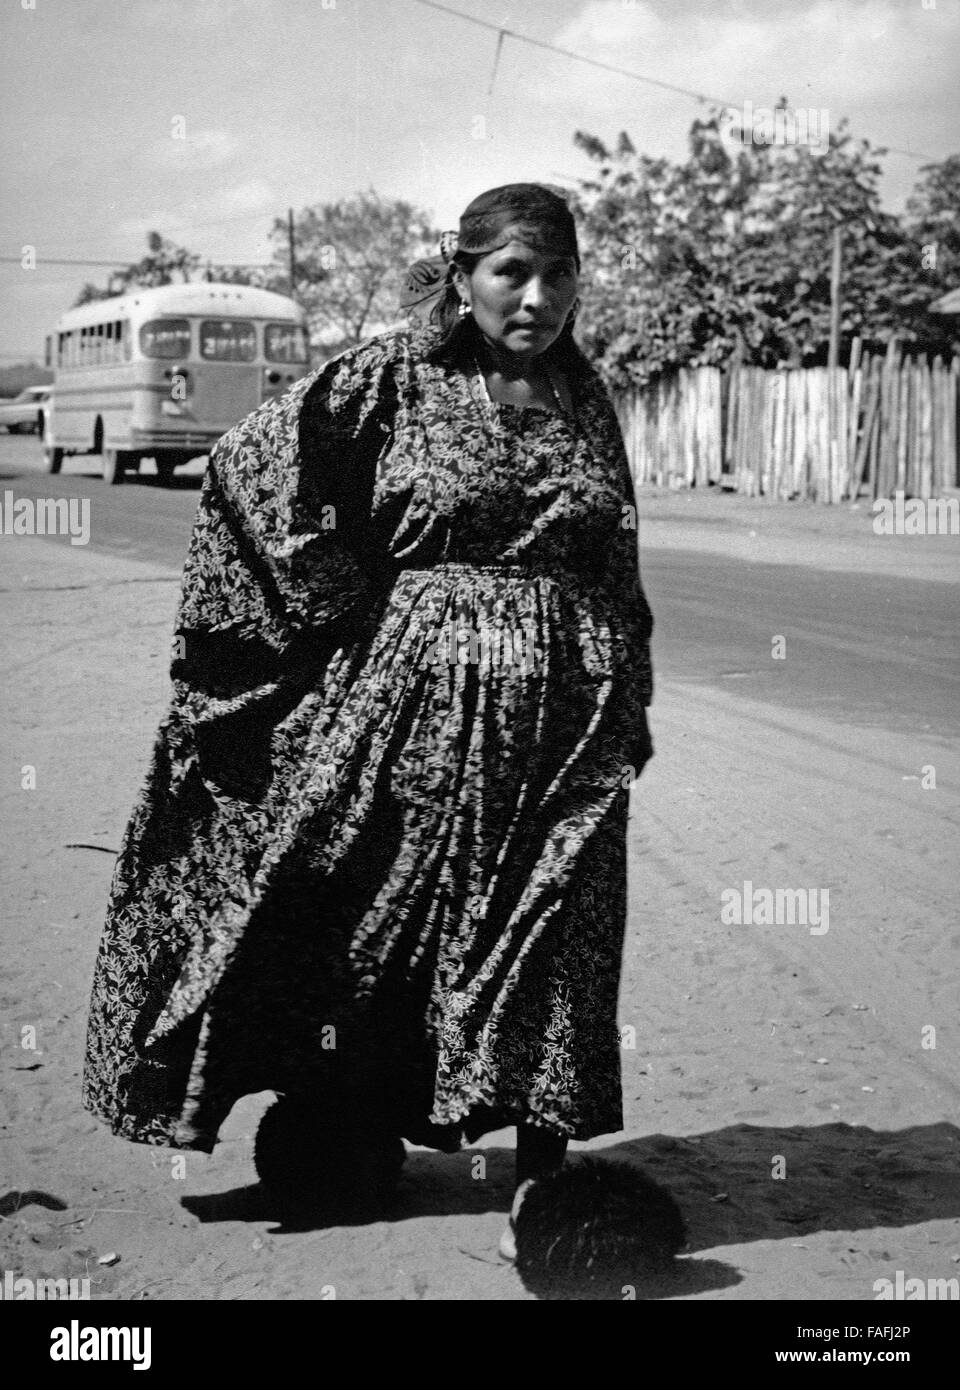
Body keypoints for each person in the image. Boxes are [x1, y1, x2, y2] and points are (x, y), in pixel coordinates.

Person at [82, 183, 655, 1258]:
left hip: (564, 729)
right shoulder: (391, 376)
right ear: (464, 275)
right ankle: (348, 1120)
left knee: (557, 934)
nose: (536, 298)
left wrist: (625, 685)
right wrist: (347, 605)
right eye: (510, 274)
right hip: (413, 715)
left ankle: (542, 1179)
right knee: (373, 921)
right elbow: (253, 470)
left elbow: (613, 551)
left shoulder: (585, 397)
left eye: (558, 274)